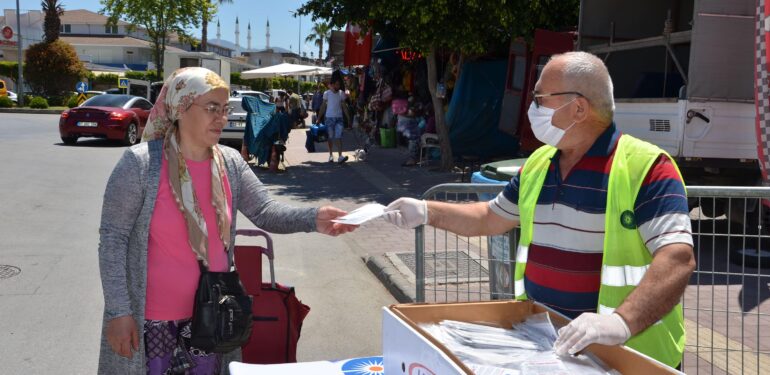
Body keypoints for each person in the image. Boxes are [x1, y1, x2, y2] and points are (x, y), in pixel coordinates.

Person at [382, 52, 695, 369]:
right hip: (549, 350)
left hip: (627, 359)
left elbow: (677, 258)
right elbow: (490, 217)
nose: (532, 109)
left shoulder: (648, 168)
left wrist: (621, 322)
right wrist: (425, 211)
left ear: (578, 107)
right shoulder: (538, 165)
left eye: (540, 99)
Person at [97, 67, 357, 375]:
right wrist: (119, 311)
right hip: (152, 322)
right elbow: (113, 240)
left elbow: (265, 210)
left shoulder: (230, 163)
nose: (221, 117)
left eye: (225, 108)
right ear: (181, 108)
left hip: (211, 321)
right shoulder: (141, 164)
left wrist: (313, 218)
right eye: (211, 109)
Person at [316, 75, 348, 163]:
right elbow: (323, 106)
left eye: (339, 85)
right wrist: (318, 118)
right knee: (330, 137)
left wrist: (348, 118)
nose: (338, 86)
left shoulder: (341, 93)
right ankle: (330, 155)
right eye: (336, 84)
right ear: (333, 84)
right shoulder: (327, 93)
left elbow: (344, 106)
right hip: (329, 118)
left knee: (338, 137)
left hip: (339, 118)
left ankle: (340, 156)